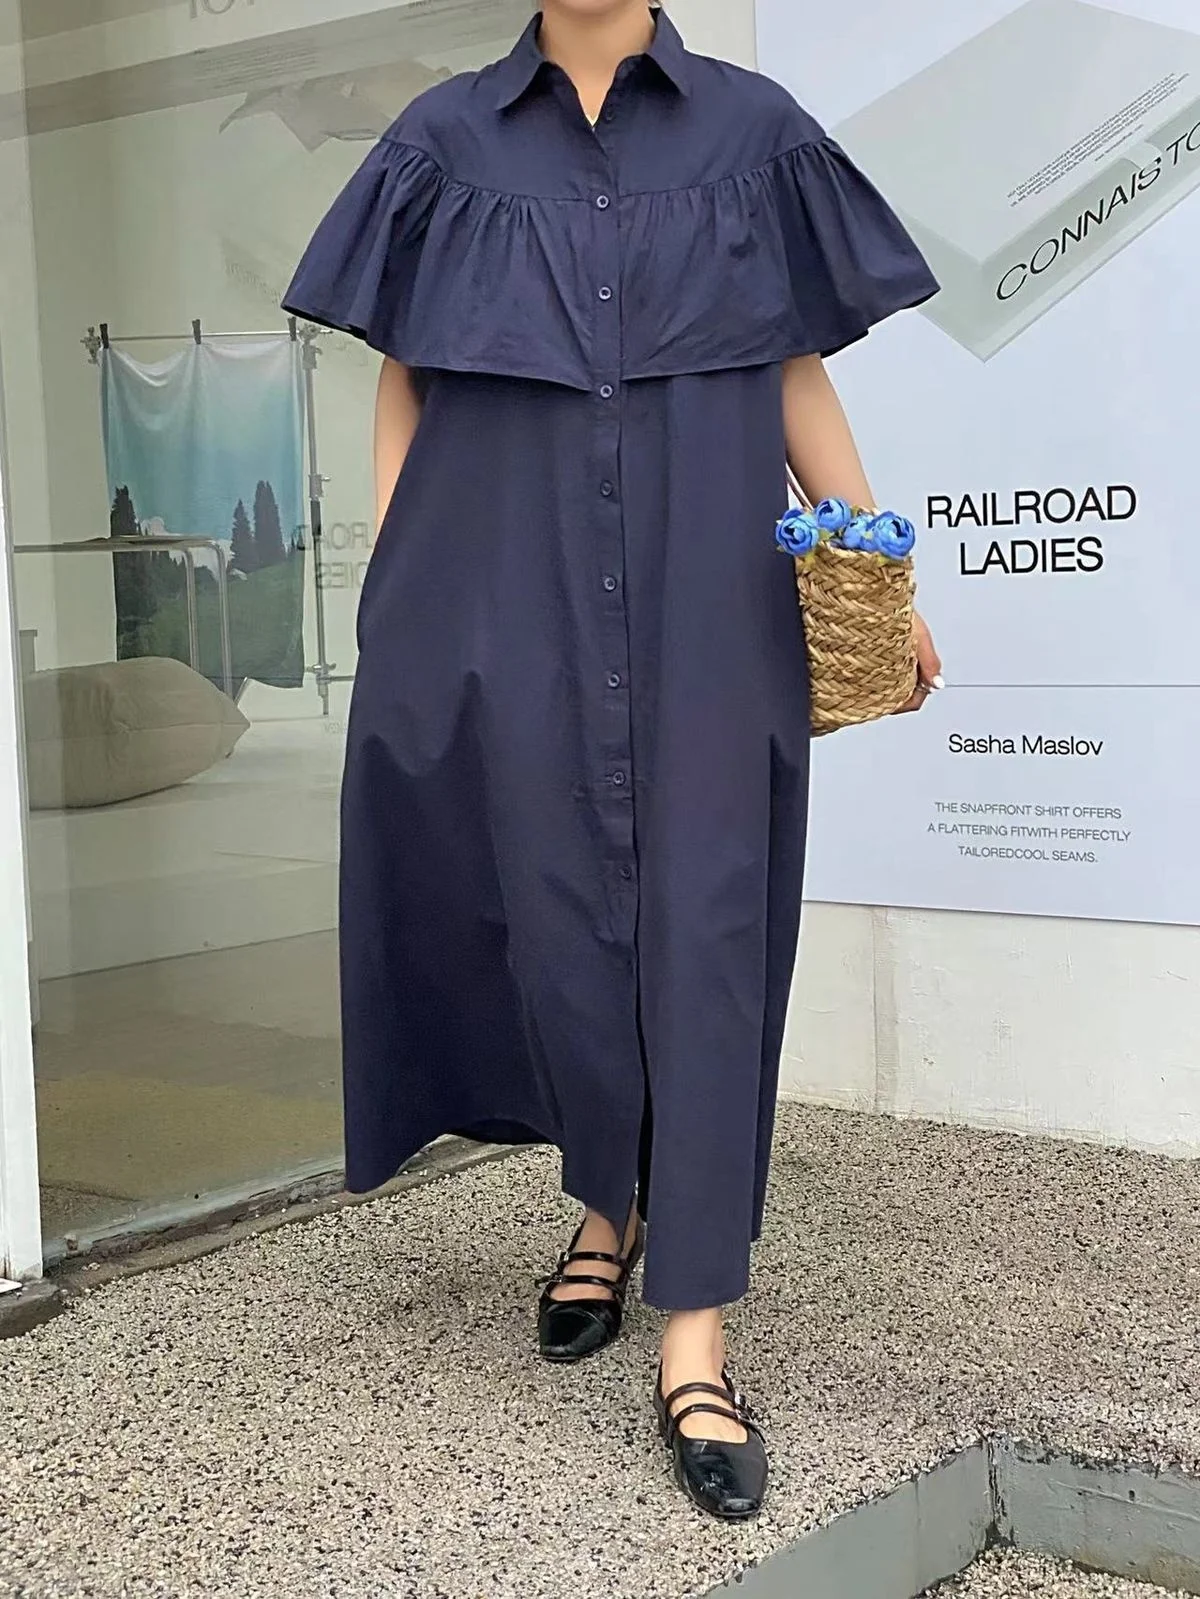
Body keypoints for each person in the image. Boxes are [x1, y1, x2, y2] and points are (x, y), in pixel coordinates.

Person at [283, 1, 941, 1522]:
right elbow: (407, 377)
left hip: (714, 609)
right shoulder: (444, 141)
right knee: (557, 924)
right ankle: (607, 1201)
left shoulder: (752, 135)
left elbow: (790, 368)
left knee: (707, 940)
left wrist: (876, 571)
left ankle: (695, 1333)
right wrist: (403, 598)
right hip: (503, 602)